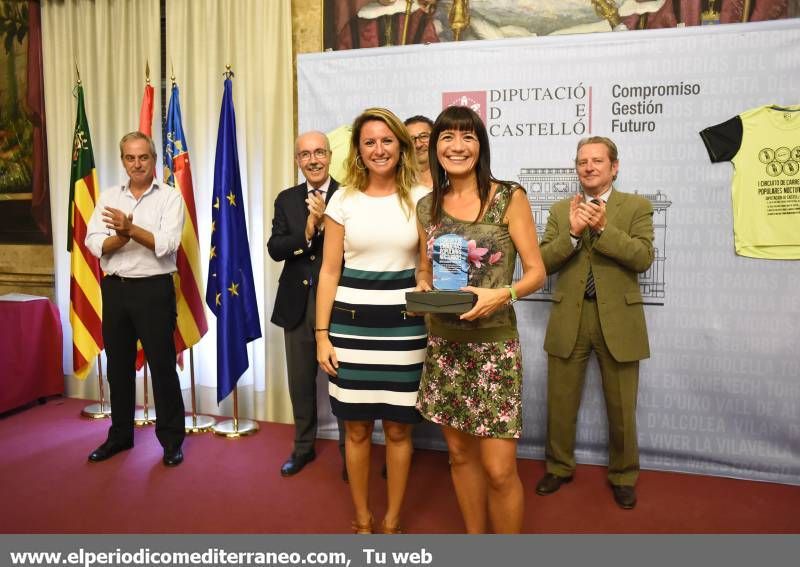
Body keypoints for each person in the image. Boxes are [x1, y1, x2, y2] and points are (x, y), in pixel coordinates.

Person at [415, 105, 546, 533]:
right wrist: (422, 286)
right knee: (459, 456)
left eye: (467, 136)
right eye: (447, 137)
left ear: (480, 145)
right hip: (445, 345)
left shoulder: (509, 196)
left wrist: (501, 295)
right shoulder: (426, 207)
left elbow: (537, 272)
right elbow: (423, 268)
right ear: (435, 148)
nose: (457, 146)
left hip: (494, 349)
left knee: (499, 470)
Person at [316, 107, 430, 534]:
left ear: (400, 146)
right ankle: (362, 519)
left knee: (400, 432)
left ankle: (393, 519)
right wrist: (321, 335)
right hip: (350, 331)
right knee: (358, 430)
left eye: (386, 140)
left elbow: (426, 266)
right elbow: (329, 271)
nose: (378, 149)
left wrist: (423, 279)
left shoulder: (420, 199)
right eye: (369, 142)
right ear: (358, 151)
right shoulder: (342, 199)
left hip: (405, 330)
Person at [535, 136, 654, 510]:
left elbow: (643, 258)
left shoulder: (636, 206)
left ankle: (623, 476)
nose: (588, 167)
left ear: (613, 167)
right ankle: (558, 467)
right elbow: (541, 264)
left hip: (618, 319)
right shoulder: (559, 210)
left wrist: (604, 229)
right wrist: (570, 233)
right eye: (582, 161)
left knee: (622, 406)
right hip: (571, 315)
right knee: (560, 401)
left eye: (597, 161)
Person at [85, 131, 185, 467]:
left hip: (153, 290)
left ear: (154, 160)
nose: (137, 164)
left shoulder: (170, 197)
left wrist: (128, 230)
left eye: (143, 157)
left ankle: (171, 441)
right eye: (130, 157)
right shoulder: (108, 197)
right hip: (115, 289)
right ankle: (120, 436)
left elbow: (167, 244)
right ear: (123, 161)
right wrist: (125, 235)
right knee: (118, 368)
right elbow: (95, 243)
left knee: (162, 368)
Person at [267, 131, 346, 479]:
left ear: (329, 156)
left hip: (341, 302)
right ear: (297, 161)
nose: (312, 160)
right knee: (300, 382)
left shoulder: (350, 195)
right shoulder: (287, 199)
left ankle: (350, 454)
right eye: (304, 155)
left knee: (344, 384)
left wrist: (327, 224)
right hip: (297, 303)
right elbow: (276, 248)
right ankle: (303, 447)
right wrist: (309, 231)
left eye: (318, 153)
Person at [404, 115, 434, 189]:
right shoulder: (399, 183)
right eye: (411, 139)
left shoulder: (451, 178)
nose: (418, 145)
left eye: (424, 136)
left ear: (435, 138)